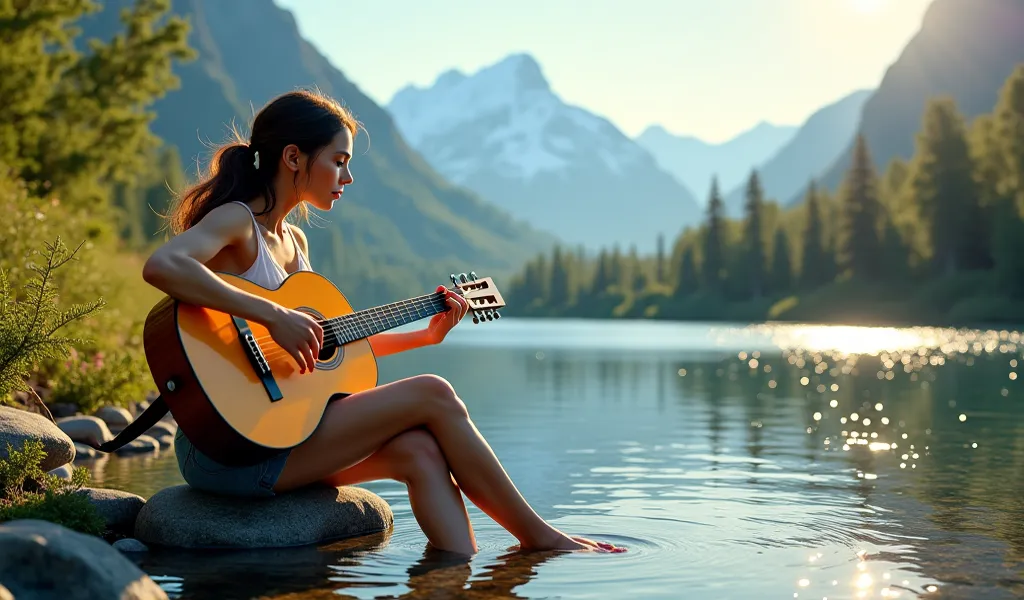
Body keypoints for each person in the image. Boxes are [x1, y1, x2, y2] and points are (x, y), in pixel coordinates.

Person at [141, 89, 624, 556]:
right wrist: (275, 315)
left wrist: (425, 335)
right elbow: (163, 266)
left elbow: (335, 350)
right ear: (293, 157)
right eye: (339, 160)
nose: (347, 177)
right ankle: (540, 537)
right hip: (226, 449)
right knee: (434, 392)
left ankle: (453, 580)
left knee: (420, 449)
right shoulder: (238, 223)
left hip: (280, 434)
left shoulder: (297, 245)